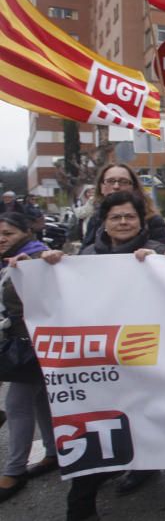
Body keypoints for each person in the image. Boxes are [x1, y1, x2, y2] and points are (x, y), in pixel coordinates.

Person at [41, 191, 165, 519]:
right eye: (115, 217)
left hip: (152, 357)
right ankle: (82, 507)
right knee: (93, 427)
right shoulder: (84, 257)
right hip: (102, 363)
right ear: (104, 221)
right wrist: (44, 268)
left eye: (129, 217)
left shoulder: (158, 252)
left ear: (140, 221)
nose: (122, 222)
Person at [0, 212, 56, 503]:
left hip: (33, 344)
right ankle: (53, 452)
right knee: (40, 401)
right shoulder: (8, 261)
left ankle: (15, 470)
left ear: (25, 232)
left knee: (17, 404)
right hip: (20, 343)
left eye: (8, 233)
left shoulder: (36, 260)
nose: (1, 239)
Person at [82, 163, 165, 247]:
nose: (116, 186)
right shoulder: (96, 219)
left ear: (134, 187)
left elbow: (163, 255)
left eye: (123, 182)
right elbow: (85, 254)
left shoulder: (152, 220)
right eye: (110, 181)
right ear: (101, 187)